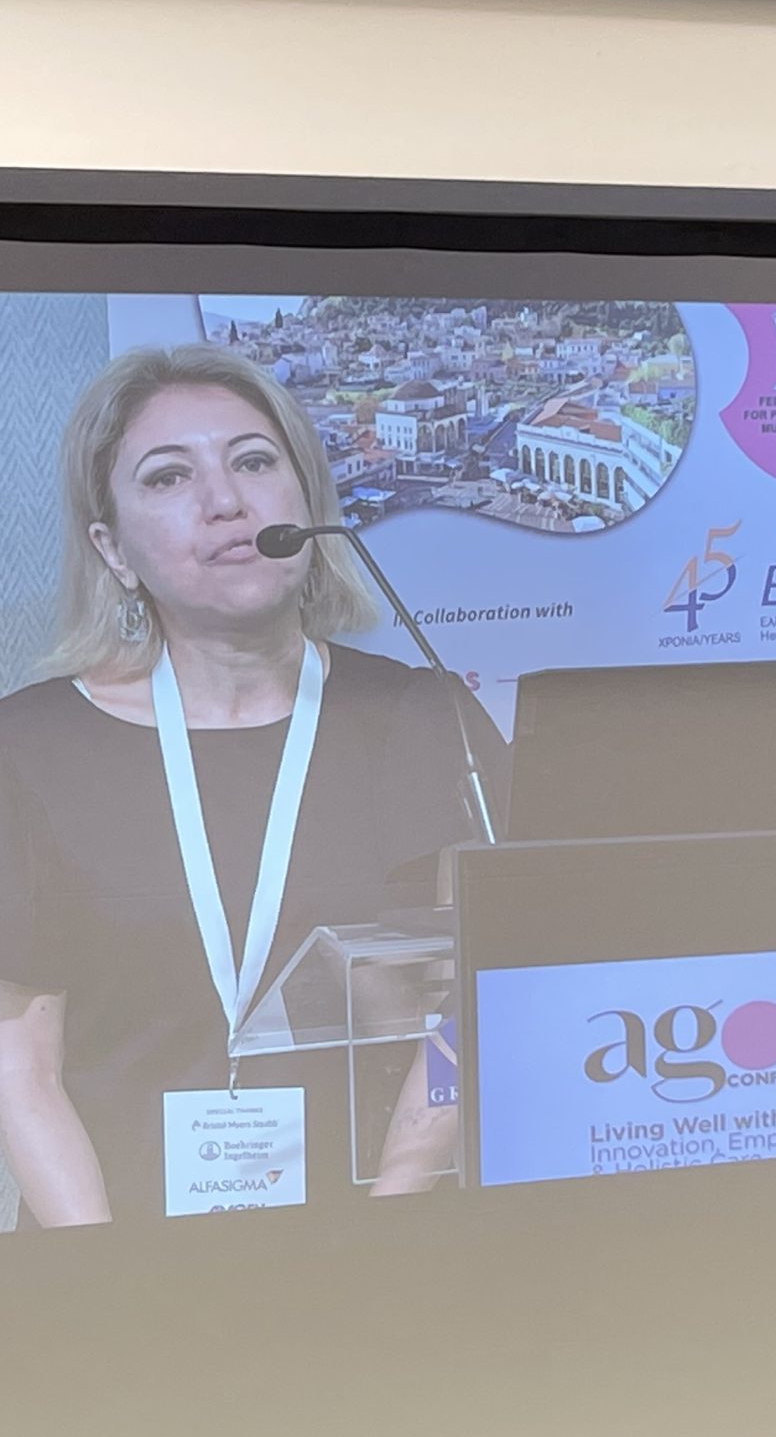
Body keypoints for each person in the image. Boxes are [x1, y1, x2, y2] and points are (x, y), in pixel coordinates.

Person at [0, 341, 507, 1226]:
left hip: (381, 1239)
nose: (226, 501)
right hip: (115, 1255)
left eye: (255, 462)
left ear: (306, 501)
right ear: (113, 550)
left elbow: (476, 1003)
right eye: (169, 477)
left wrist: (391, 1224)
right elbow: (20, 1066)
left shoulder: (426, 719)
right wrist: (106, 1271)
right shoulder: (28, 747)